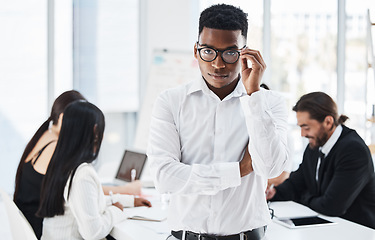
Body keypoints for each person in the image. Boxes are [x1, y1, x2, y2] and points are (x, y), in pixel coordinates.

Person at [147, 4, 288, 240]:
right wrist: (238, 170)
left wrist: (253, 95)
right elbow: (164, 177)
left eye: (230, 53)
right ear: (196, 51)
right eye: (208, 51)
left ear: (245, 53)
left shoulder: (269, 103)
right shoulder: (171, 102)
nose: (218, 64)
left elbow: (271, 167)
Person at [14, 90, 148, 239]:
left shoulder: (60, 160)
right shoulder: (79, 171)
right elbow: (93, 232)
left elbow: (88, 199)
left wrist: (128, 200)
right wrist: (117, 210)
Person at [266, 92, 375, 229]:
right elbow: (298, 182)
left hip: (355, 230)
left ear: (328, 122)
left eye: (306, 127)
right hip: (326, 227)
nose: (303, 134)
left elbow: (332, 206)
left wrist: (303, 197)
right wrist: (275, 192)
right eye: (300, 127)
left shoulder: (353, 150)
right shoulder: (316, 144)